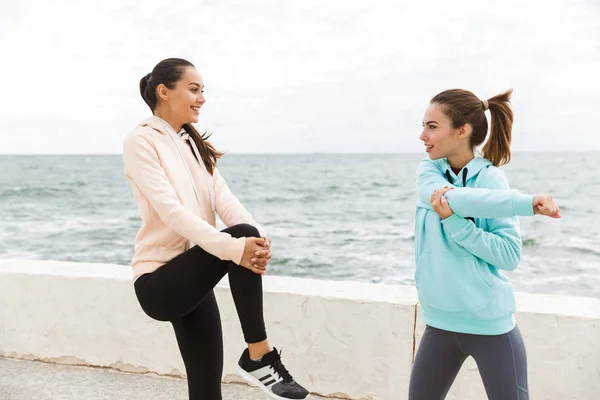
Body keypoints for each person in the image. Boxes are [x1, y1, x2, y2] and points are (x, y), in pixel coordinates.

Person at [122, 58, 309, 400]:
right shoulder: (140, 141)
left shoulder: (193, 144)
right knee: (240, 235)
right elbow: (172, 212)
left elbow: (225, 201)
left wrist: (260, 240)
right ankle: (259, 353)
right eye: (193, 89)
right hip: (158, 282)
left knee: (207, 390)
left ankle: (257, 356)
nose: (202, 98)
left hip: (193, 276)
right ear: (164, 92)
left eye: (202, 91)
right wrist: (237, 248)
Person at [409, 88, 561, 400]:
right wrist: (527, 203)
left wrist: (454, 223)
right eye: (423, 125)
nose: (422, 135)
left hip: (490, 324)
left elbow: (508, 256)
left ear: (462, 130)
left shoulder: (492, 181)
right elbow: (452, 198)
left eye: (432, 126)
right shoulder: (428, 172)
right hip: (438, 321)